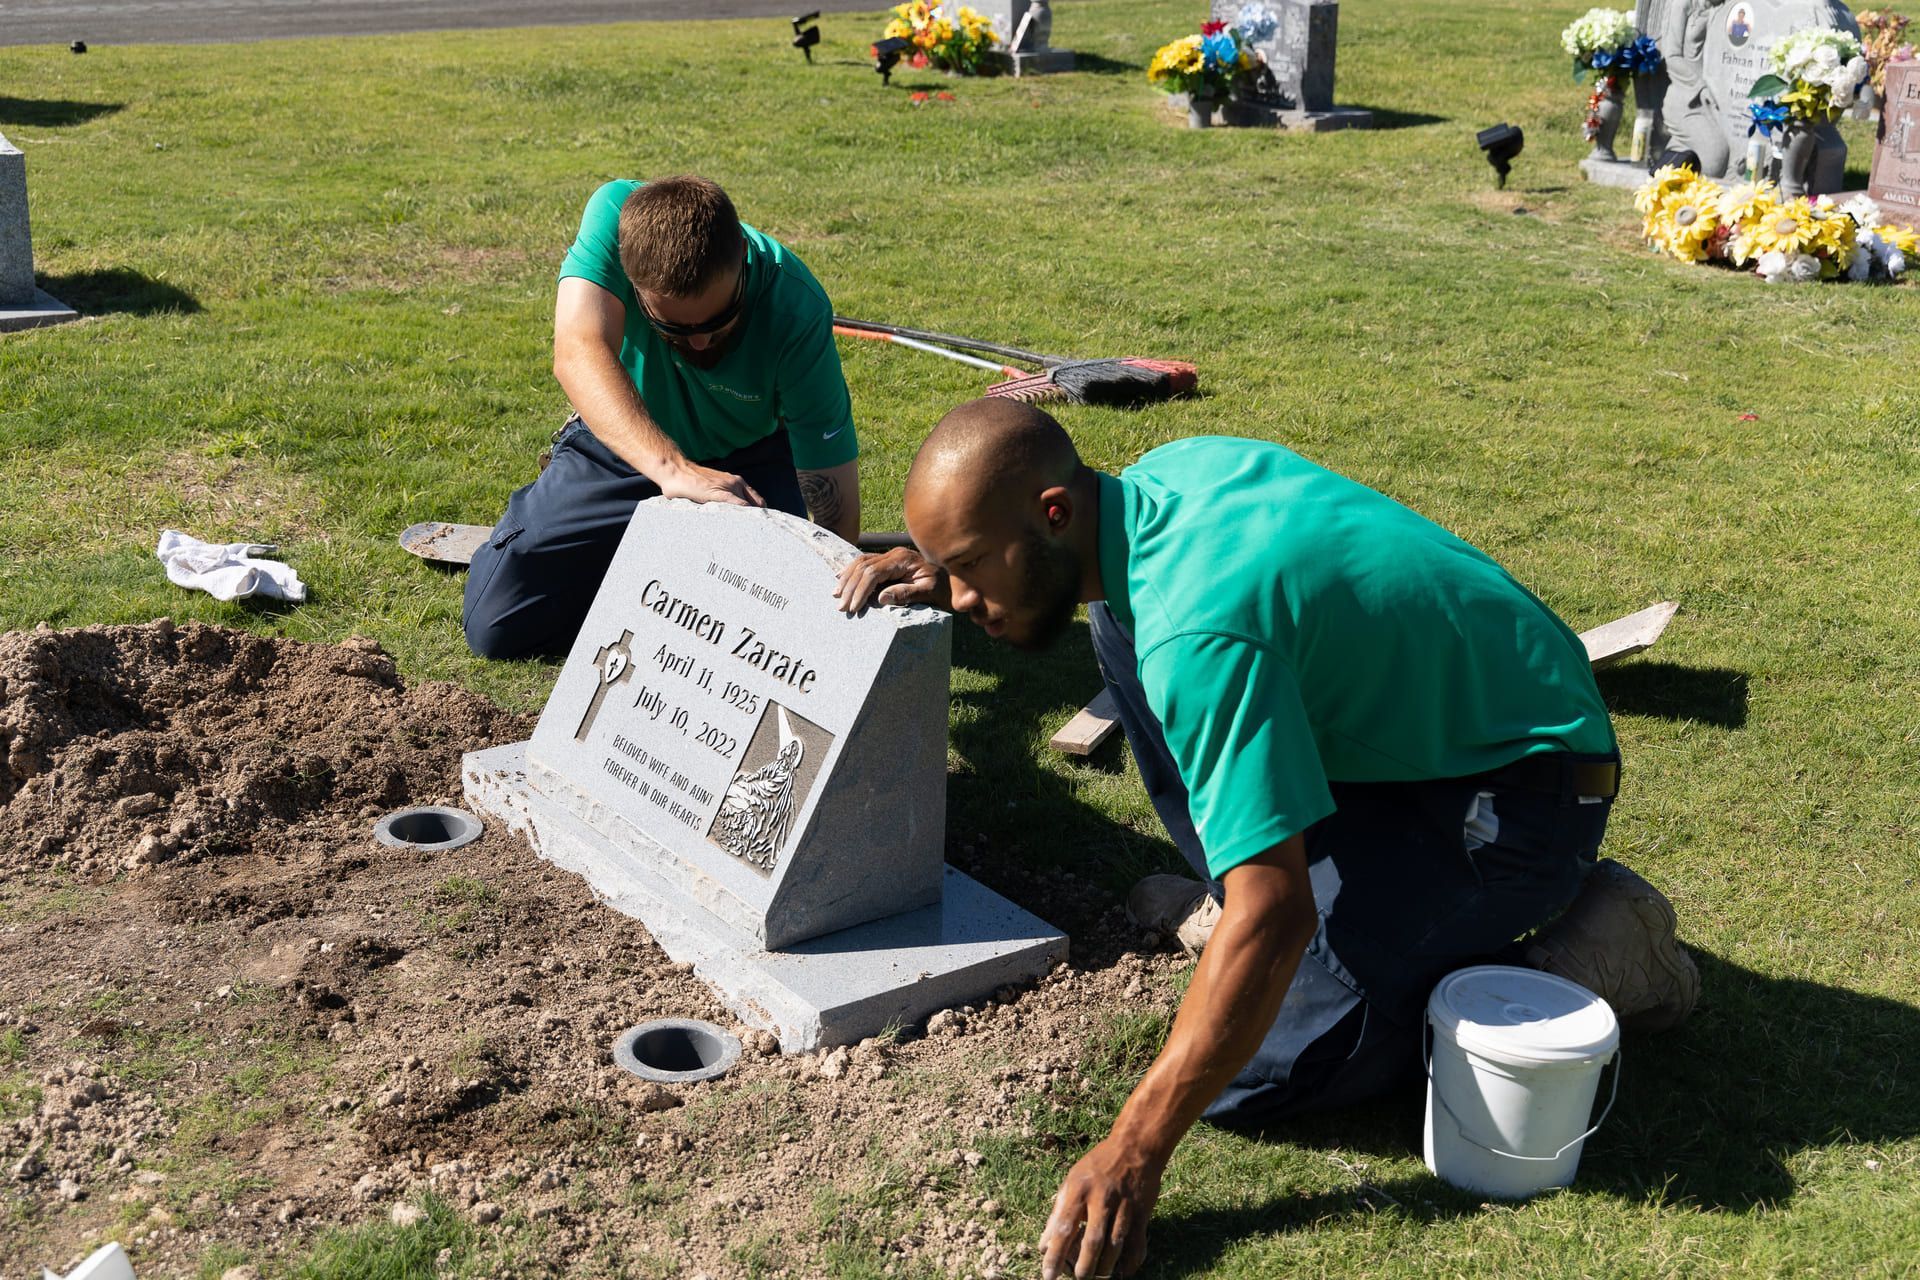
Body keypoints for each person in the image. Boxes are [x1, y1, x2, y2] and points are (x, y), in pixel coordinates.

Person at [834, 399, 1698, 1280]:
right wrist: (954, 570)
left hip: (1527, 792)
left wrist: (1134, 1148)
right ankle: (1252, 905)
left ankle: (1591, 949)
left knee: (1262, 1071)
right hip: (1426, 740)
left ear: (1054, 513)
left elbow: (1278, 913)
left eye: (974, 563)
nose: (965, 595)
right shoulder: (1153, 490)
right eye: (953, 566)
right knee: (1115, 618)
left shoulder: (1200, 632)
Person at [464, 175, 861, 659]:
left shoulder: (795, 307)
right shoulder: (615, 214)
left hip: (749, 462)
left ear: (741, 258)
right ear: (631, 281)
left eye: (718, 321)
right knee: (499, 626)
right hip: (622, 444)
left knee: (767, 626)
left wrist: (831, 588)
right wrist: (675, 471)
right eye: (670, 325)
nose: (697, 342)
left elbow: (831, 485)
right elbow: (576, 349)